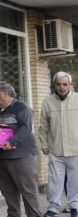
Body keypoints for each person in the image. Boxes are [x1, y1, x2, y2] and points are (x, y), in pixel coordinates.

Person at [0, 82, 42, 217]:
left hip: (22, 157)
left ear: (7, 94)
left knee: (28, 191)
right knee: (8, 192)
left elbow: (26, 128)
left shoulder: (22, 108)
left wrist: (12, 141)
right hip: (1, 157)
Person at [39, 72, 78, 217]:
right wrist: (44, 144)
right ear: (54, 84)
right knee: (54, 181)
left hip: (76, 149)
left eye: (65, 84)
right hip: (55, 149)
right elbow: (43, 126)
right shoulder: (47, 102)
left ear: (70, 85)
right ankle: (53, 208)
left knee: (75, 181)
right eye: (58, 84)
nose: (61, 87)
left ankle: (75, 207)